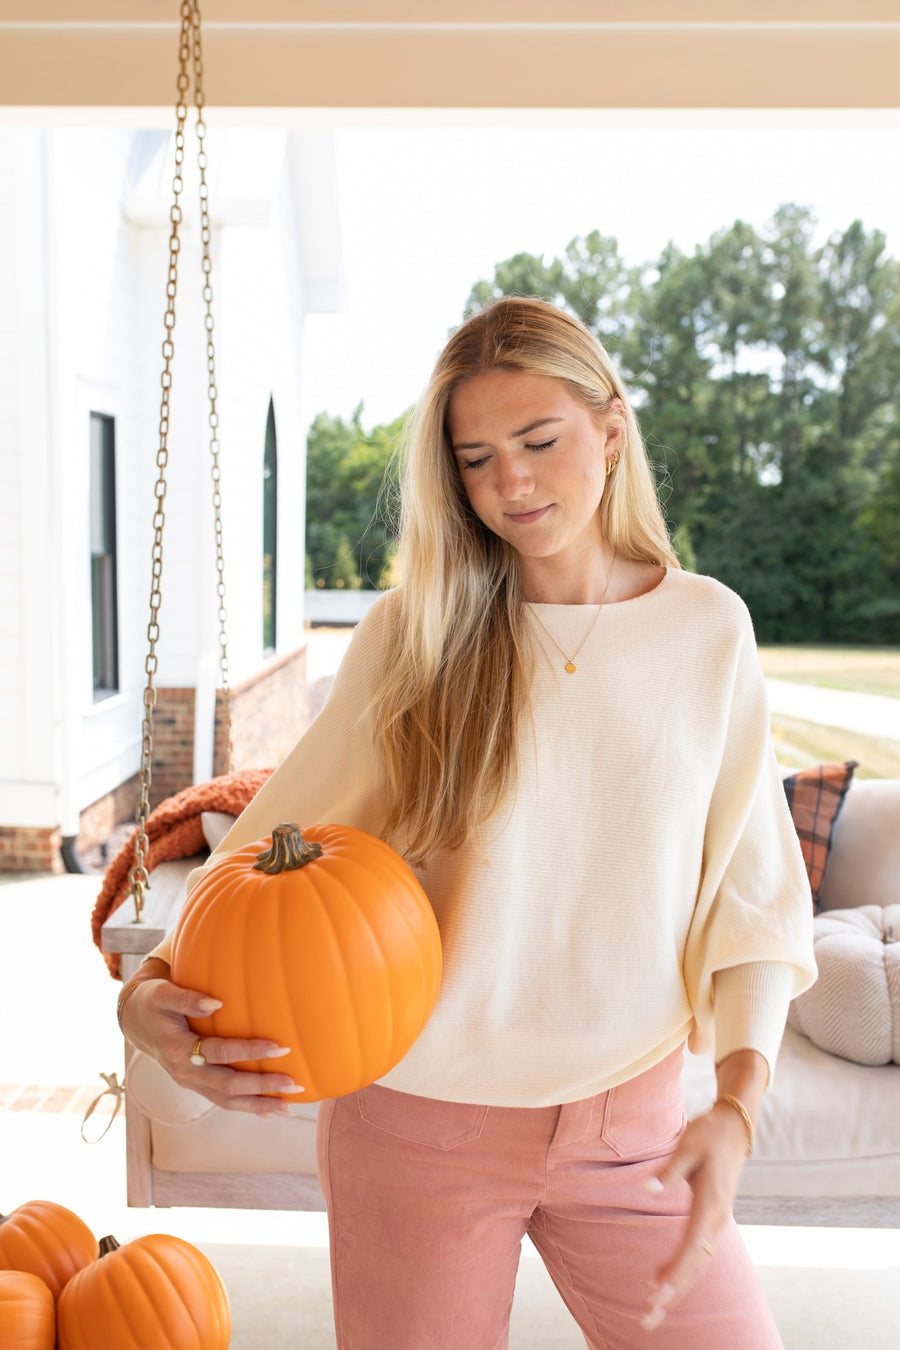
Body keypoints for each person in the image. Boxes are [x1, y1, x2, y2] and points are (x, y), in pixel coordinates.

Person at [117, 297, 816, 1349]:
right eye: (476, 459)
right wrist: (149, 993)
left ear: (612, 429)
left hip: (638, 1132)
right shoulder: (417, 635)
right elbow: (272, 839)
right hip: (418, 1128)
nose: (511, 485)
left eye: (540, 442)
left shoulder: (708, 631)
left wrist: (739, 1101)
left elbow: (753, 899)